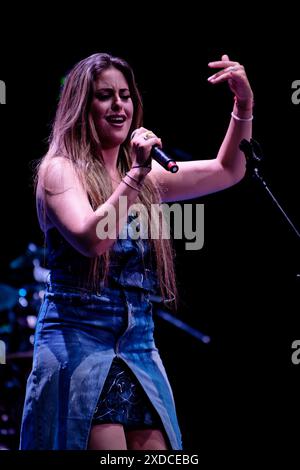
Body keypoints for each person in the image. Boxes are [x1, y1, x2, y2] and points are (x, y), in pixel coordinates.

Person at [19, 52, 253, 450]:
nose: (119, 105)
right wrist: (135, 175)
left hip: (139, 352)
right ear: (81, 105)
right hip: (80, 350)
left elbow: (228, 169)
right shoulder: (60, 170)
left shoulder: (143, 178)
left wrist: (243, 106)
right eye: (105, 95)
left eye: (125, 96)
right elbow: (92, 239)